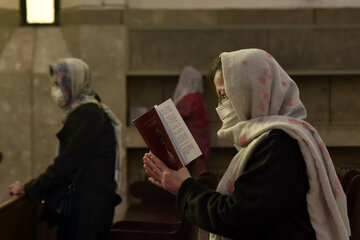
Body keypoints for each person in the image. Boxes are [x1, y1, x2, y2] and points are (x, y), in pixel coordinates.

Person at [143, 49, 351, 240]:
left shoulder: (279, 145)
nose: (220, 106)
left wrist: (184, 189)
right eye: (218, 97)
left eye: (224, 95)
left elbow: (236, 218)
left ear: (252, 91)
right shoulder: (280, 138)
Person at [8, 58, 122, 240]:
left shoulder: (88, 114)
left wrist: (30, 188)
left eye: (58, 84)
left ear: (73, 82)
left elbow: (68, 162)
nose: (55, 90)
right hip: (85, 205)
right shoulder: (82, 112)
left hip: (87, 209)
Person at [173, 66, 211, 177]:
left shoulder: (187, 99)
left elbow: (175, 118)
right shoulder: (200, 98)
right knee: (203, 176)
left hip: (191, 145)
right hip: (203, 143)